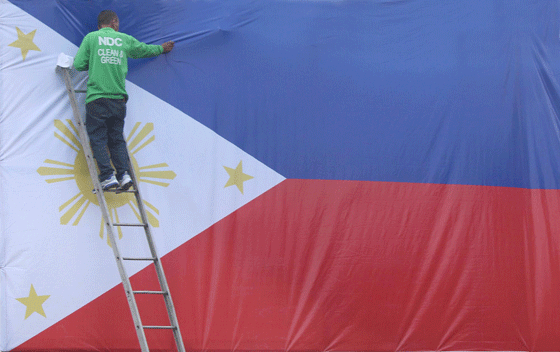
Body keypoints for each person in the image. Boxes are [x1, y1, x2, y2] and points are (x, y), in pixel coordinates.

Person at [73, 10, 174, 191]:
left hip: (97, 98)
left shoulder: (91, 38)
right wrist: (161, 48)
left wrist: (97, 62)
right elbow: (143, 50)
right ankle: (124, 175)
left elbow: (79, 64)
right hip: (118, 99)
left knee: (98, 138)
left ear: (99, 26)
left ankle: (107, 177)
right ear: (114, 22)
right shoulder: (124, 39)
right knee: (116, 139)